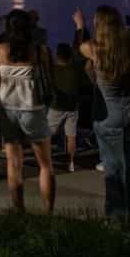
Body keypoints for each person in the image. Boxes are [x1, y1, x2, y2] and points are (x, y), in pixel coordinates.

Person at [75, 6, 130, 223]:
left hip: (109, 113)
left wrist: (80, 26)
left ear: (98, 24)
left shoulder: (94, 49)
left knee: (114, 169)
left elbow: (79, 47)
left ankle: (117, 221)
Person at [0, 9, 55, 213]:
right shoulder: (39, 51)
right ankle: (48, 213)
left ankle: (20, 213)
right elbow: (49, 80)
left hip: (8, 110)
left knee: (14, 164)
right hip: (33, 109)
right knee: (45, 165)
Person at [49, 43, 83, 172]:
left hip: (57, 106)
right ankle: (71, 163)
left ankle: (47, 160)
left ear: (57, 55)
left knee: (47, 134)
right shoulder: (76, 69)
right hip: (73, 107)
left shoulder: (53, 69)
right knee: (71, 135)